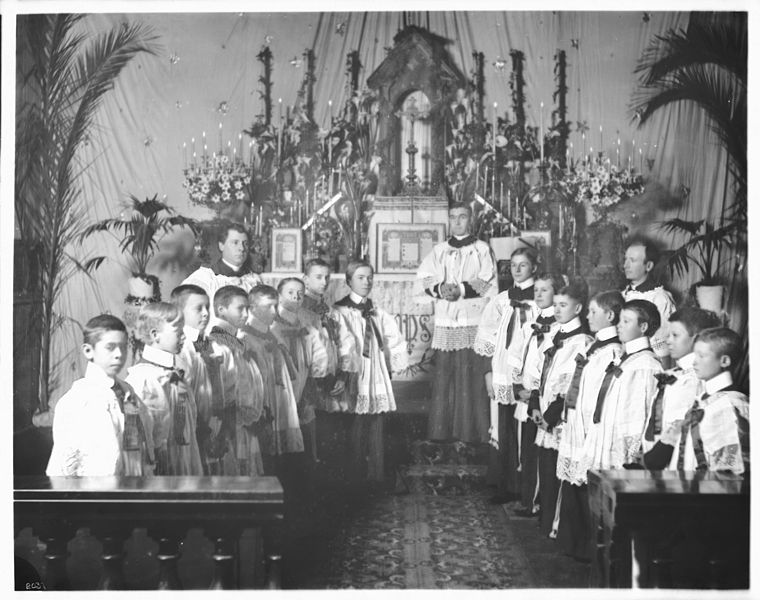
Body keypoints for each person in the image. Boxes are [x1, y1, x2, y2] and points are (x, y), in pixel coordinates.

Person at [416, 202, 498, 444]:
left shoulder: (482, 249)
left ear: (470, 219)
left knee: (469, 377)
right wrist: (441, 289)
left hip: (472, 319)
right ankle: (441, 432)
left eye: (462, 217)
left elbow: (487, 281)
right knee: (444, 377)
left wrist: (460, 289)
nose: (458, 222)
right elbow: (424, 278)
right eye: (453, 217)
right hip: (447, 320)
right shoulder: (439, 250)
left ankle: (471, 433)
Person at [555, 290, 624, 560]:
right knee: (574, 485)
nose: (587, 316)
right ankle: (576, 545)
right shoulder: (592, 346)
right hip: (576, 422)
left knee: (587, 487)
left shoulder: (613, 351)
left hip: (589, 426)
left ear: (610, 315)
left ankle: (589, 549)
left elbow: (600, 396)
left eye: (593, 312)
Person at [46, 315, 154, 476]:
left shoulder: (128, 392)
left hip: (132, 486)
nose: (119, 354)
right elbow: (64, 467)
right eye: (110, 347)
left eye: (123, 347)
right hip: (95, 493)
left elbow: (144, 442)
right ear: (88, 351)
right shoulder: (77, 400)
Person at [334, 261, 408, 483]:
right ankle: (354, 477)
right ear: (348, 281)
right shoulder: (339, 311)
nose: (366, 282)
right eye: (360, 277)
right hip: (354, 371)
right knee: (355, 424)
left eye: (369, 277)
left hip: (374, 370)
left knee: (377, 421)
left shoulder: (377, 312)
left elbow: (394, 340)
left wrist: (392, 366)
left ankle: (376, 474)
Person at [475, 247, 539, 504]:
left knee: (527, 427)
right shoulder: (501, 299)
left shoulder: (540, 299)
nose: (517, 269)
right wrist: (489, 373)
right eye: (514, 265)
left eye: (523, 265)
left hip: (527, 371)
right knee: (504, 426)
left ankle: (527, 489)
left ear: (533, 267)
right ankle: (506, 484)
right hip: (502, 371)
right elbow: (487, 337)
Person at [642, 327, 749, 475]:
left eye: (701, 356)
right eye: (694, 354)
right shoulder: (702, 400)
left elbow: (730, 467)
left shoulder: (729, 406)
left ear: (724, 361)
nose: (694, 361)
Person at [531, 279, 592, 538]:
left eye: (563, 305)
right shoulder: (554, 333)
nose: (557, 310)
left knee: (557, 472)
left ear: (578, 309)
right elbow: (540, 369)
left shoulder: (582, 341)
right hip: (543, 409)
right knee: (544, 470)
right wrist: (535, 403)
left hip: (558, 417)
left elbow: (571, 384)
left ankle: (556, 526)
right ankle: (545, 520)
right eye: (555, 304)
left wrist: (551, 415)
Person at [582, 299, 661, 472]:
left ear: (643, 327)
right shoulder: (625, 359)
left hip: (622, 447)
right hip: (606, 436)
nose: (619, 325)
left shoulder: (645, 365)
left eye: (626, 321)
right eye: (620, 320)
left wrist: (630, 454)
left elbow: (639, 415)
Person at [507, 273, 564, 515]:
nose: (538, 294)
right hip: (525, 393)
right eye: (537, 290)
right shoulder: (531, 322)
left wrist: (533, 393)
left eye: (545, 290)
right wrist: (517, 384)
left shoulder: (558, 327)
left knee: (540, 450)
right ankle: (528, 499)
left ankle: (538, 503)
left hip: (540, 396)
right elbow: (517, 353)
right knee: (527, 450)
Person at [125, 302, 203, 475]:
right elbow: (145, 433)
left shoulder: (174, 371)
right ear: (155, 335)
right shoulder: (143, 379)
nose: (184, 337)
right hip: (162, 465)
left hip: (183, 457)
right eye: (178, 331)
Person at [240, 285, 304, 477]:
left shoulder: (273, 332)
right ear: (252, 308)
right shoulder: (245, 337)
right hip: (263, 401)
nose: (275, 312)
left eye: (276, 306)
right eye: (269, 306)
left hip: (280, 396)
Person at [640, 307, 721, 455]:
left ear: (696, 339)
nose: (667, 340)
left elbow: (684, 427)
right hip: (653, 451)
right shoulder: (674, 374)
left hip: (675, 457)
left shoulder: (696, 380)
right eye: (668, 335)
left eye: (675, 335)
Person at [207, 285, 265, 475]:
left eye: (248, 309)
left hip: (244, 422)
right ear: (221, 310)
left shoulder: (234, 340)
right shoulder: (218, 342)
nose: (246, 314)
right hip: (230, 424)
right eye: (241, 308)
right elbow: (226, 390)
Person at [170, 283, 222, 475]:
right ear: (179, 312)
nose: (206, 313)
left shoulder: (205, 342)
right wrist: (202, 427)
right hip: (196, 426)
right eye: (198, 308)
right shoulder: (183, 348)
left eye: (207, 307)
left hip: (212, 421)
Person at [272, 277, 319, 463]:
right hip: (282, 383)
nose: (296, 297)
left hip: (303, 376)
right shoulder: (272, 321)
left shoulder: (307, 320)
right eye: (290, 293)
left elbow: (317, 355)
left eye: (300, 293)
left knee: (304, 423)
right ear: (279, 296)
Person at [182, 222, 262, 317]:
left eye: (245, 244)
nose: (241, 248)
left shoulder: (253, 280)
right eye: (235, 243)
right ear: (221, 245)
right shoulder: (204, 279)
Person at [621, 239, 675, 360]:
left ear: (648, 266)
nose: (625, 265)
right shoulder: (623, 294)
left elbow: (661, 342)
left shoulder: (659, 298)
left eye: (632, 260)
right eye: (625, 259)